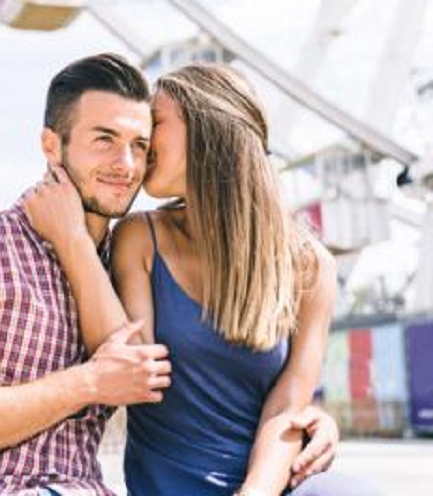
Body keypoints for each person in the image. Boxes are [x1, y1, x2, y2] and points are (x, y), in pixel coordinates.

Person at [0, 54, 339, 495]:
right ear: (52, 145)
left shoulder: (113, 260)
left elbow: (271, 399)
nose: (128, 163)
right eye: (104, 139)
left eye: (142, 142)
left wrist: (307, 421)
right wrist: (87, 380)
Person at [23, 62, 379, 495]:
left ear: (206, 130)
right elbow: (132, 367)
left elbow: (287, 409)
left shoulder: (310, 265)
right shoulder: (140, 238)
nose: (143, 140)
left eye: (155, 123)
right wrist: (73, 241)